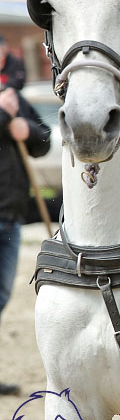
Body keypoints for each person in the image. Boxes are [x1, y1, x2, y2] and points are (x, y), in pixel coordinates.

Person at [0, 85, 52, 394]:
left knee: (1, 296)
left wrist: (26, 129)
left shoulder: (11, 96)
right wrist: (3, 116)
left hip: (10, 216)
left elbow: (44, 141)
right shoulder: (6, 104)